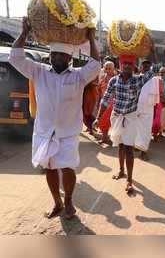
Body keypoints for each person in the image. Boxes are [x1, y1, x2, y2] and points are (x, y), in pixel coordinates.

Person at [9, 18, 101, 219]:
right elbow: (15, 58)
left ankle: (68, 200)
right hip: (44, 132)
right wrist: (24, 33)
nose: (56, 57)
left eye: (61, 54)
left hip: (67, 134)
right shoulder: (39, 72)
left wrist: (92, 38)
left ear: (69, 58)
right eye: (53, 54)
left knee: (68, 168)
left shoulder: (78, 76)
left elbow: (95, 65)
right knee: (49, 167)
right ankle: (57, 203)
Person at [94, 55, 154, 194]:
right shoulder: (114, 81)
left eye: (130, 64)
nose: (127, 66)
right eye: (124, 64)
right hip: (116, 117)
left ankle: (129, 180)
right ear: (120, 65)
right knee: (120, 145)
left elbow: (150, 73)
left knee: (128, 148)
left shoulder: (138, 80)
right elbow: (105, 99)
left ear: (134, 66)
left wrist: (150, 56)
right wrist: (98, 117)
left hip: (131, 117)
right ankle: (121, 171)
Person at [134, 60, 158, 161]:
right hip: (136, 108)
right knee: (136, 129)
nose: (146, 68)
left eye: (148, 66)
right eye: (144, 66)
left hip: (148, 110)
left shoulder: (154, 79)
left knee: (146, 131)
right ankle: (136, 146)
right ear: (141, 67)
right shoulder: (137, 78)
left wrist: (155, 110)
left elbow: (156, 97)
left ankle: (144, 151)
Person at [98, 61, 116, 144]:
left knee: (107, 120)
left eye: (110, 68)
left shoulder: (116, 78)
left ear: (113, 69)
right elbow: (99, 90)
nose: (108, 70)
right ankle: (104, 137)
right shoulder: (102, 78)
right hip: (103, 102)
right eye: (106, 68)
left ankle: (107, 137)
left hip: (113, 103)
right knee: (101, 120)